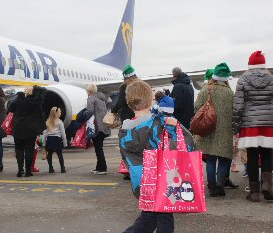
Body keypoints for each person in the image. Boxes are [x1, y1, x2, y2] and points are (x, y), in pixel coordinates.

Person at [119, 80, 195, 233]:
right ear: (150, 100)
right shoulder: (157, 125)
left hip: (141, 184)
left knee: (148, 217)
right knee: (164, 220)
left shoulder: (125, 130)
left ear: (129, 103)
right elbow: (178, 147)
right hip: (161, 182)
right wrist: (172, 129)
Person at [233, 51, 273, 202]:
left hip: (249, 123)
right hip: (268, 122)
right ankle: (268, 187)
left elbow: (238, 106)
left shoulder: (243, 80)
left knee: (252, 157)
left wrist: (235, 126)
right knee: (268, 154)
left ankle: (254, 192)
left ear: (250, 64)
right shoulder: (271, 78)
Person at [195, 63, 234, 197]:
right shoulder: (230, 93)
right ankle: (220, 185)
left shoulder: (206, 89)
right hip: (225, 131)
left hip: (208, 129)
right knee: (223, 159)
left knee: (210, 159)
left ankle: (212, 188)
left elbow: (197, 107)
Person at [8, 86, 46, 177]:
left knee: (19, 149)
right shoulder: (37, 101)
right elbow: (44, 90)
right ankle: (28, 171)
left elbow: (10, 109)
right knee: (29, 150)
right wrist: (34, 87)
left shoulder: (18, 99)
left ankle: (20, 170)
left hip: (18, 127)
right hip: (31, 129)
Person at [86, 84, 111, 175]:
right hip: (104, 126)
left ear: (89, 91)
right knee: (98, 147)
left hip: (97, 126)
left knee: (98, 148)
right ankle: (99, 167)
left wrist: (82, 118)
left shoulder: (91, 98)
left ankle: (102, 168)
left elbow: (89, 111)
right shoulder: (101, 99)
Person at [43, 107, 67, 173]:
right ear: (56, 113)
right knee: (59, 154)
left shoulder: (48, 121)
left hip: (49, 139)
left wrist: (44, 143)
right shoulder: (60, 122)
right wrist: (65, 143)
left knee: (49, 154)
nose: (60, 113)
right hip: (57, 139)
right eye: (59, 112)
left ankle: (50, 168)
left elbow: (45, 133)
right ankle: (62, 168)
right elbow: (63, 134)